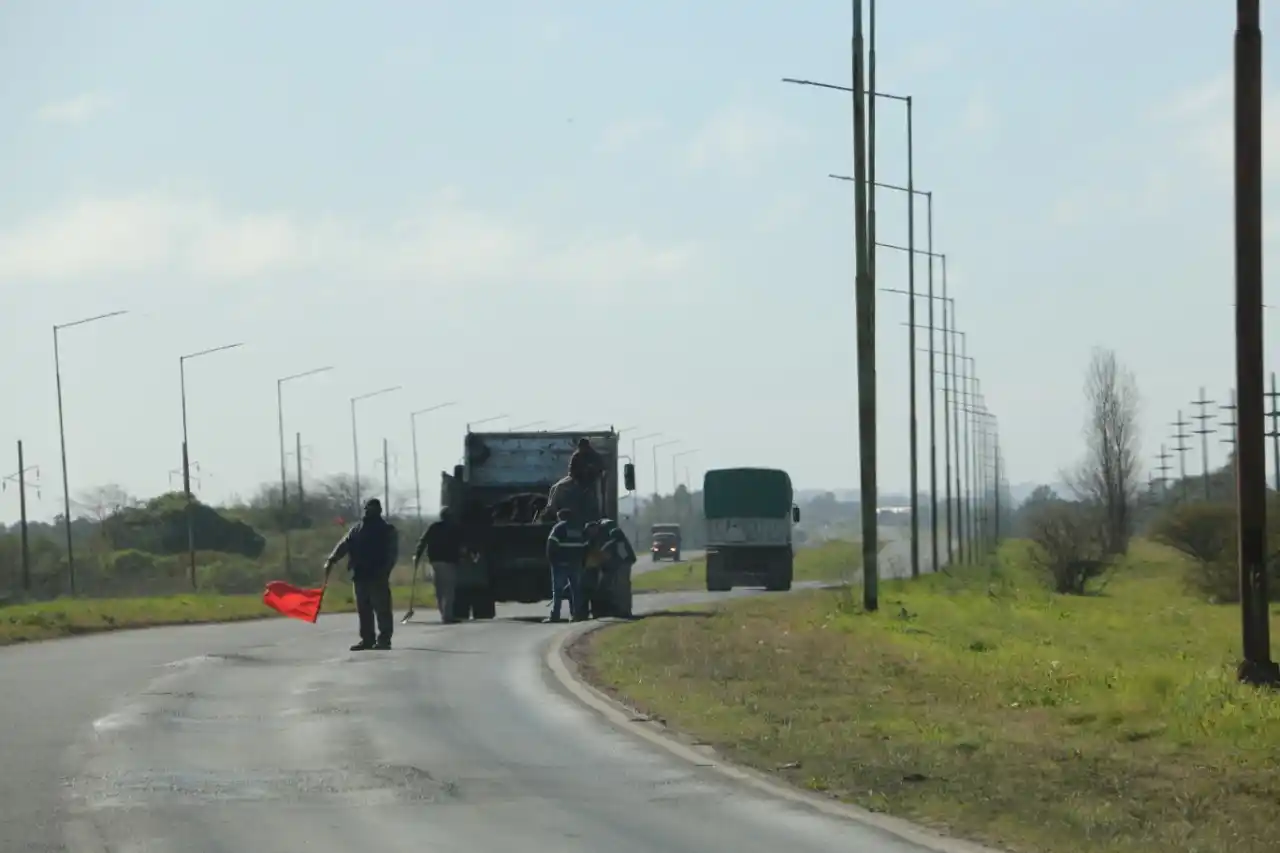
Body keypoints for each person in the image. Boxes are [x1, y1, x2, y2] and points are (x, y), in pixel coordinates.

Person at [324, 498, 400, 650]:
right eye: (367, 508)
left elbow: (392, 553)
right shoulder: (357, 528)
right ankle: (367, 639)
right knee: (363, 609)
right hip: (360, 574)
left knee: (382, 609)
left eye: (372, 508)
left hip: (377, 574)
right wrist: (332, 559)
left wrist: (385, 570)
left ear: (379, 510)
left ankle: (384, 639)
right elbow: (344, 544)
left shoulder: (387, 529)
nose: (369, 511)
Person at [414, 505, 465, 624]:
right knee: (448, 590)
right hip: (449, 562)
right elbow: (461, 546)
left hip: (435, 561)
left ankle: (444, 614)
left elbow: (423, 541)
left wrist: (417, 555)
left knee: (440, 589)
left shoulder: (434, 527)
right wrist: (464, 557)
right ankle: (447, 616)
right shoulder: (454, 528)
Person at [545, 507, 587, 622]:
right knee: (576, 590)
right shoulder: (578, 529)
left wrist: (553, 562)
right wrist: (581, 562)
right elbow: (584, 547)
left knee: (557, 591)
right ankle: (577, 615)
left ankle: (555, 616)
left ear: (562, 517)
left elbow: (551, 545)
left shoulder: (558, 528)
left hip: (561, 565)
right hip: (575, 565)